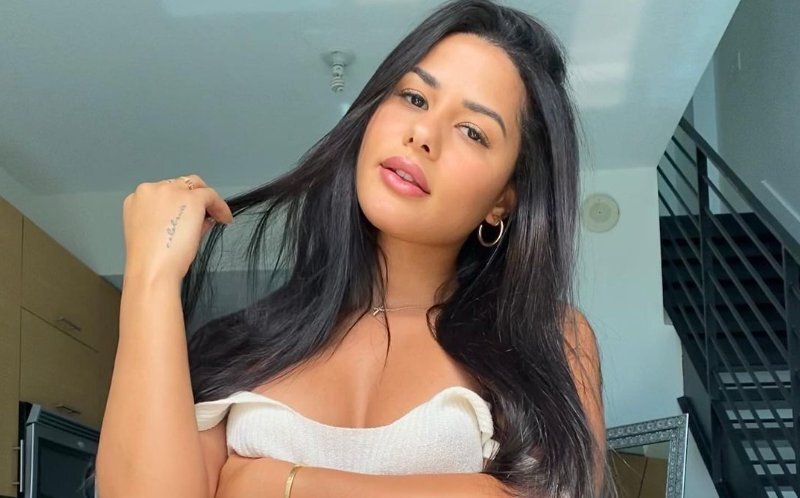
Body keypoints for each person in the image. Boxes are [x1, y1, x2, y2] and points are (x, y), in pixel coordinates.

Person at [95, 0, 614, 497]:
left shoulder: (547, 338)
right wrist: (150, 277)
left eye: (472, 131)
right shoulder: (240, 347)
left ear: (502, 200)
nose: (423, 133)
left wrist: (283, 484)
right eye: (414, 98)